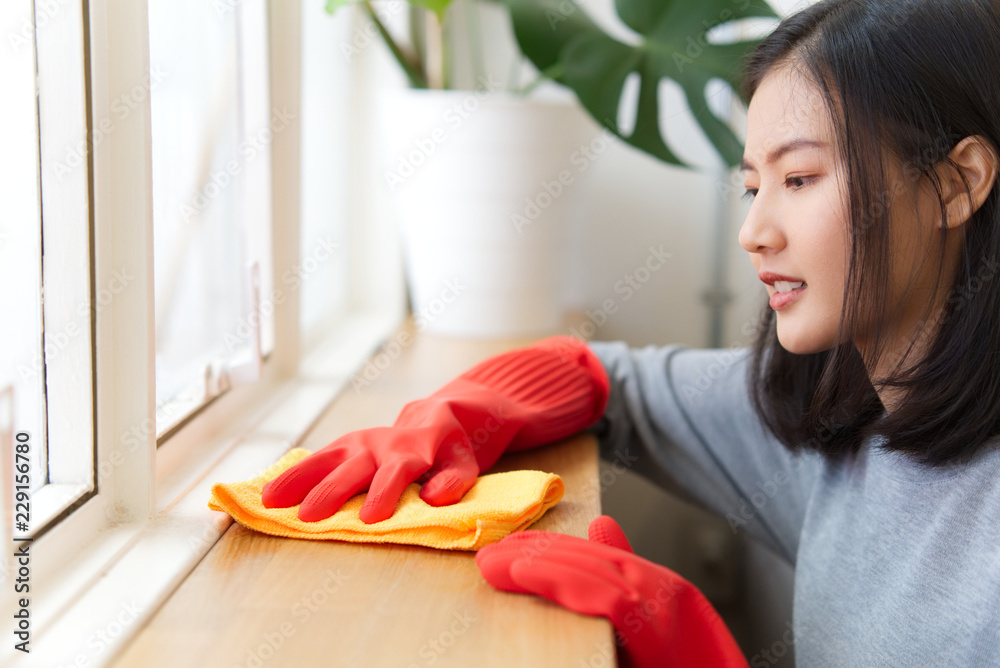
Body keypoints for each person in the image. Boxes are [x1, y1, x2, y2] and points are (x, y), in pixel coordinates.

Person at [260, 0, 1000, 665]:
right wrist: (461, 411)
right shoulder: (846, 412)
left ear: (956, 183)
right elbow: (615, 382)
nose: (753, 231)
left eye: (799, 179)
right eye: (752, 187)